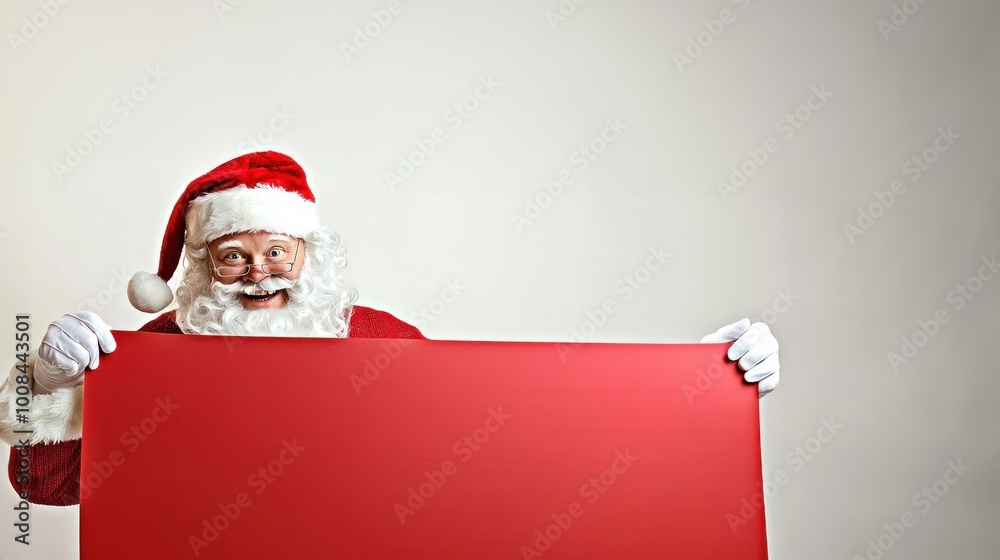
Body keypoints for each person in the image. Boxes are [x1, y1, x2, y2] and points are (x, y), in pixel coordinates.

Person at [0, 151, 779, 506]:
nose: (260, 273)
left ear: (309, 254)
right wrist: (50, 382)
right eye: (233, 257)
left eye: (276, 251)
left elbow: (507, 447)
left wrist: (695, 388)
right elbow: (43, 489)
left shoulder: (379, 341)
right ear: (204, 269)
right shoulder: (158, 353)